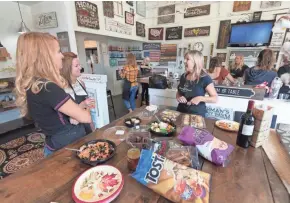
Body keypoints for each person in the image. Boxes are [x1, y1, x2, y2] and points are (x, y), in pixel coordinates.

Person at [15, 32, 92, 157]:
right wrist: (84, 108)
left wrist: (74, 115)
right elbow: (85, 118)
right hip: (66, 149)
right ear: (45, 57)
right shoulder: (48, 87)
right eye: (58, 51)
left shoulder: (34, 85)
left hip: (54, 144)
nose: (62, 55)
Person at [60, 52, 95, 134]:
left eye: (79, 64)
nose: (80, 67)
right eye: (76, 66)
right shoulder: (61, 88)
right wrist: (82, 104)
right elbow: (67, 117)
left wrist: (92, 126)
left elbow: (88, 108)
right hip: (72, 132)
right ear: (67, 68)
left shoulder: (81, 83)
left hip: (86, 127)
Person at [176, 50, 218, 117]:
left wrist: (200, 98)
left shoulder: (205, 78)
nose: (184, 61)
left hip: (196, 115)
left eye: (187, 59)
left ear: (195, 62)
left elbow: (215, 98)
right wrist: (179, 97)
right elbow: (179, 92)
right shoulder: (183, 76)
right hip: (180, 112)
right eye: (184, 59)